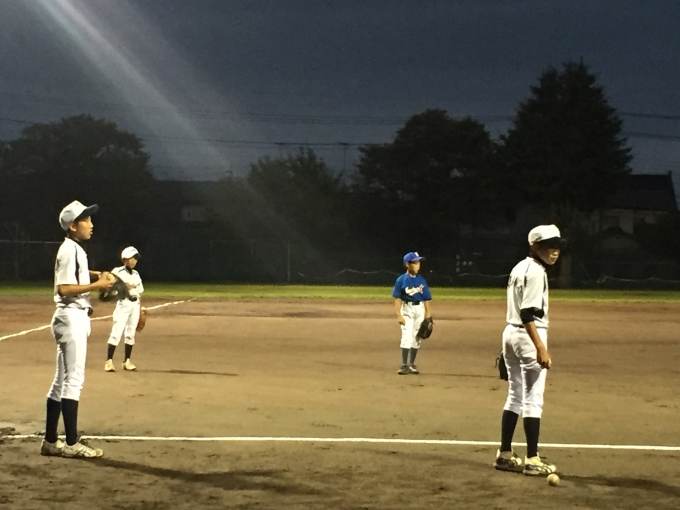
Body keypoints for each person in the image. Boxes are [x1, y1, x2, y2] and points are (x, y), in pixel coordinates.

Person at [40, 200, 114, 458]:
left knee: (61, 380)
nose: (91, 224)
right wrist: (98, 286)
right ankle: (72, 443)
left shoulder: (73, 249)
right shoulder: (69, 250)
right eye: (86, 220)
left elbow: (78, 273)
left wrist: (98, 275)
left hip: (72, 317)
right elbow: (63, 288)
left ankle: (51, 441)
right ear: (73, 226)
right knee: (74, 380)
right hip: (71, 317)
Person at [493, 224, 566, 475]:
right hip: (528, 335)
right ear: (534, 246)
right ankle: (533, 459)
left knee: (515, 395)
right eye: (549, 246)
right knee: (533, 399)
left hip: (510, 333)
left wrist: (509, 347)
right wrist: (540, 347)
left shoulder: (518, 267)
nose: (554, 251)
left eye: (557, 247)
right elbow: (527, 313)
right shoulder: (536, 272)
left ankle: (504, 454)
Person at [105, 246, 144, 372]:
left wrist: (140, 310)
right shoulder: (117, 271)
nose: (135, 260)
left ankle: (127, 361)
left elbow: (139, 292)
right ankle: (109, 361)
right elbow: (109, 286)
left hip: (135, 305)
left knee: (130, 333)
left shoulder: (136, 274)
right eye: (133, 258)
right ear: (125, 259)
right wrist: (122, 286)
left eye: (136, 258)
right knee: (116, 332)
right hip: (123, 304)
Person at [392, 252, 432, 375]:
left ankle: (412, 364)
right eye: (415, 263)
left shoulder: (421, 280)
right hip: (407, 309)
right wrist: (399, 315)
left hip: (420, 309)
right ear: (407, 264)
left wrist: (428, 315)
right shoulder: (401, 280)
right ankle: (404, 365)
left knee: (417, 336)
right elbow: (397, 298)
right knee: (407, 335)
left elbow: (426, 299)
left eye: (418, 262)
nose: (417, 265)